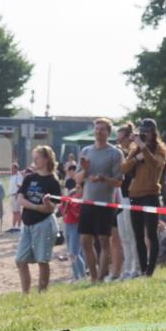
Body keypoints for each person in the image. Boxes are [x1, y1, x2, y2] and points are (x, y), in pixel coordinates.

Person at [121, 118, 166, 277]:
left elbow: (156, 165)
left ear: (153, 133)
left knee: (151, 234)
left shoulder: (160, 149)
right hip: (135, 194)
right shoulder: (135, 149)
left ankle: (150, 271)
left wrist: (143, 148)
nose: (144, 134)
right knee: (138, 235)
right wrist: (136, 158)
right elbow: (123, 168)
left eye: (146, 132)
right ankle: (143, 270)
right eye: (142, 132)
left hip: (151, 194)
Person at [78, 118, 124, 282]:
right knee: (85, 241)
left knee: (104, 241)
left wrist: (103, 179)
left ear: (108, 132)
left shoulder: (115, 153)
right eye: (96, 129)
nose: (98, 132)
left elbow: (119, 181)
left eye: (102, 129)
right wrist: (84, 170)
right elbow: (78, 179)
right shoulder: (85, 151)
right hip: (87, 202)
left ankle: (100, 278)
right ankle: (93, 276)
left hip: (106, 204)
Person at [15, 145, 62, 292]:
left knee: (42, 260)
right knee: (20, 260)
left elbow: (51, 208)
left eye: (38, 157)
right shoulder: (30, 178)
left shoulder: (53, 181)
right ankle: (26, 294)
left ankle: (42, 293)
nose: (34, 160)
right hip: (27, 224)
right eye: (33, 157)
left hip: (44, 224)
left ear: (47, 159)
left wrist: (46, 205)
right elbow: (20, 199)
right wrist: (37, 207)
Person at [114, 123, 140, 279]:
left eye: (121, 139)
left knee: (132, 234)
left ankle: (136, 268)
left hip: (132, 197)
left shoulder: (135, 155)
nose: (119, 143)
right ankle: (128, 268)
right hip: (121, 197)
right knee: (124, 236)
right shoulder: (121, 155)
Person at [63, 180, 86, 281]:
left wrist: (71, 203)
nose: (76, 190)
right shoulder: (73, 196)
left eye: (79, 188)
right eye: (76, 187)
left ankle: (82, 277)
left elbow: (78, 214)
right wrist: (66, 202)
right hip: (68, 224)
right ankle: (76, 277)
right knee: (70, 253)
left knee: (74, 253)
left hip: (76, 226)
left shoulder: (85, 199)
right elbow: (64, 211)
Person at [7, 163, 25, 233]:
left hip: (16, 196)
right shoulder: (12, 176)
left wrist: (17, 195)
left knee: (18, 212)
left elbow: (20, 187)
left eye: (13, 168)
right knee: (14, 212)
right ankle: (14, 226)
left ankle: (19, 227)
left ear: (16, 169)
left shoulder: (18, 176)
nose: (11, 169)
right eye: (11, 168)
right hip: (11, 195)